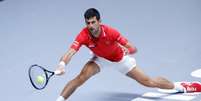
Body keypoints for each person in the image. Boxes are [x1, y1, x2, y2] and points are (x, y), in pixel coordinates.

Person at [55, 8, 201, 101]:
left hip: (120, 59)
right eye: (88, 23)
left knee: (148, 82)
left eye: (93, 22)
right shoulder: (84, 34)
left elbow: (133, 48)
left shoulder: (111, 32)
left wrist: (127, 50)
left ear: (99, 21)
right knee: (81, 77)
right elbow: (71, 52)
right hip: (99, 59)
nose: (91, 26)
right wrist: (62, 65)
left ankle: (180, 86)